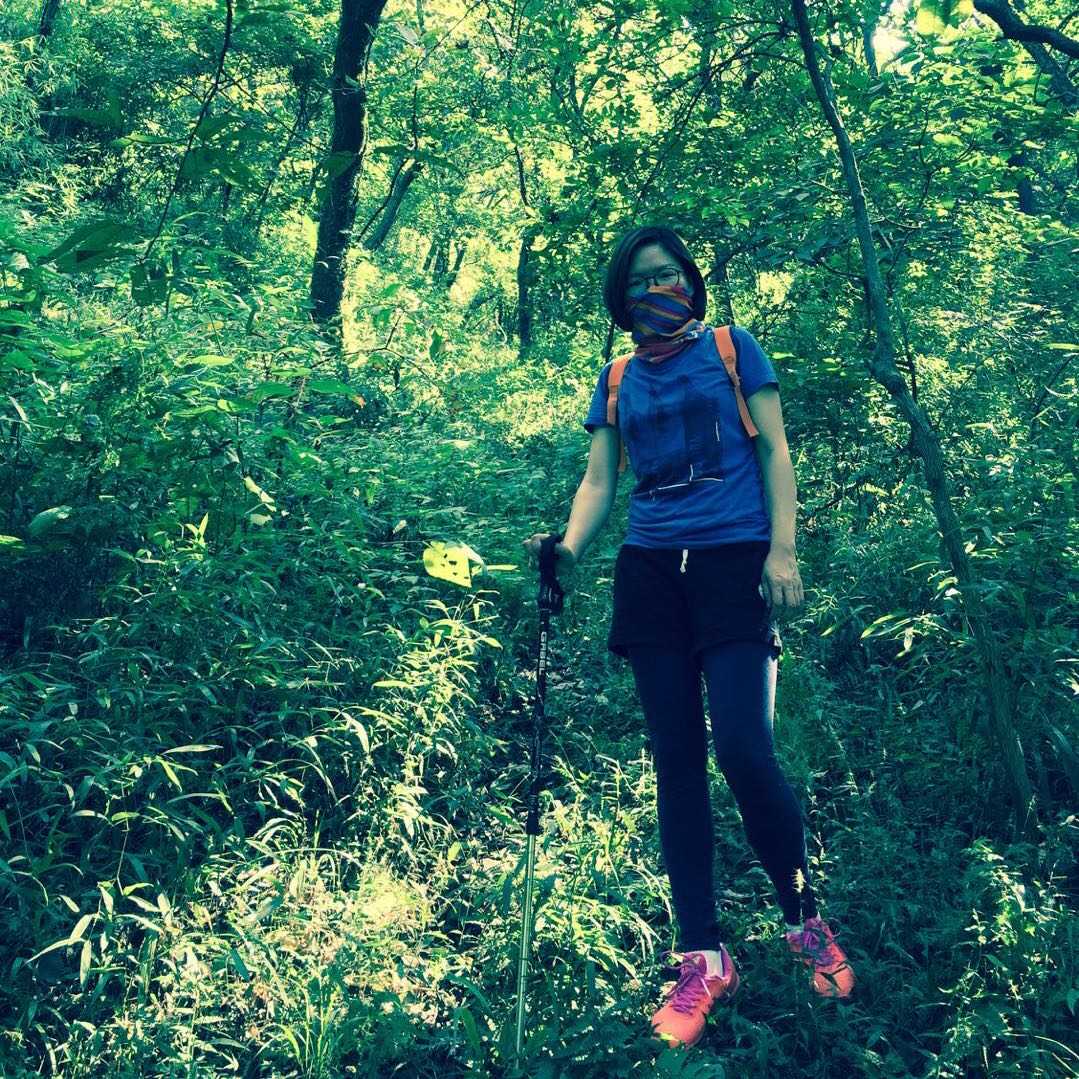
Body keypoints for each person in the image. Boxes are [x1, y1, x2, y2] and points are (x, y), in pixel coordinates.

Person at [522, 225, 855, 1049]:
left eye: (668, 274)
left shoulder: (732, 349)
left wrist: (782, 550)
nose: (656, 288)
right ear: (621, 296)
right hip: (649, 575)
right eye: (640, 280)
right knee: (675, 760)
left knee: (744, 748)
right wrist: (567, 550)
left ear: (691, 281)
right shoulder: (617, 377)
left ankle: (803, 917)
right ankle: (702, 955)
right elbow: (600, 478)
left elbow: (774, 450)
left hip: (733, 562)